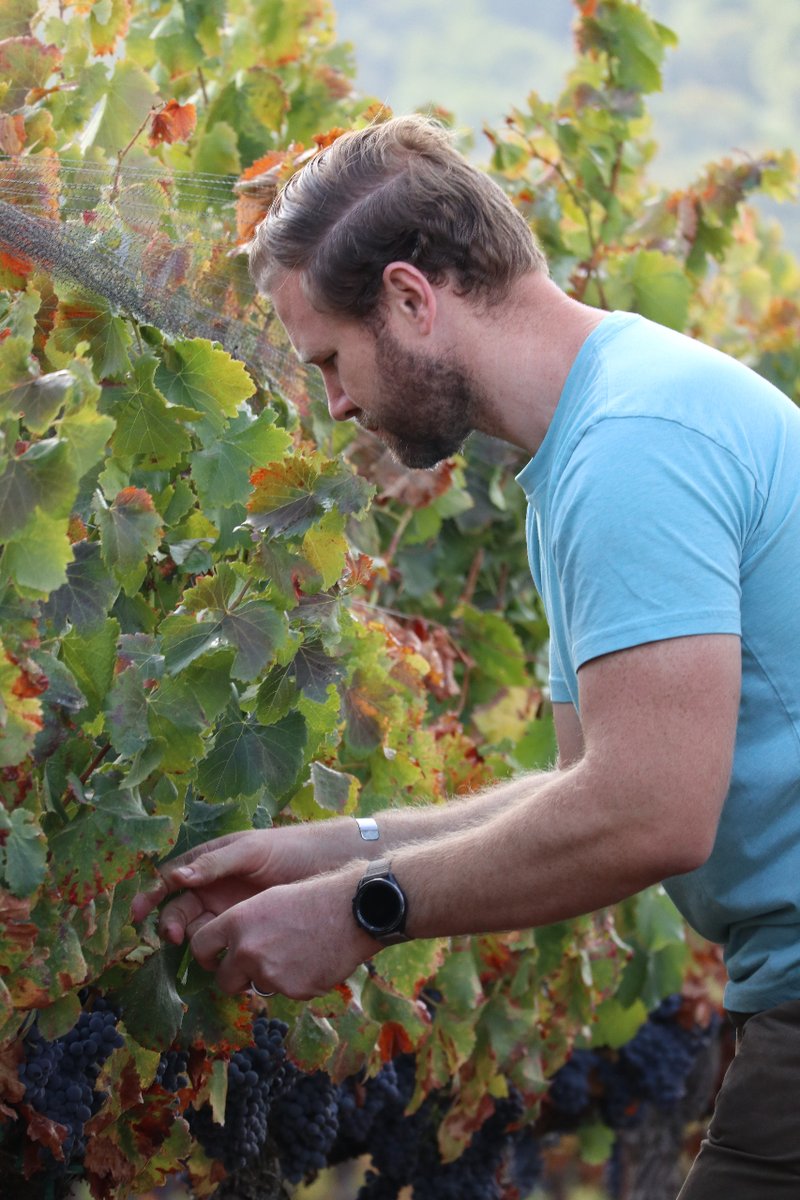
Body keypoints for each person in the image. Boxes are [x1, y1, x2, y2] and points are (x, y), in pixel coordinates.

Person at [133, 116, 800, 1196]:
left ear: (409, 299)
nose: (336, 403)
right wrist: (336, 849)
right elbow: (587, 789)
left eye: (330, 360)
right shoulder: (594, 439)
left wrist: (364, 908)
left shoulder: (633, 449)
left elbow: (650, 817)